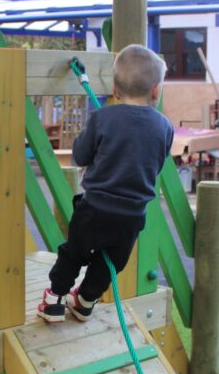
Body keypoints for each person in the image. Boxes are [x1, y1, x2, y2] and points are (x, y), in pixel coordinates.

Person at [38, 44, 175, 323]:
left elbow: (80, 156)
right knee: (111, 261)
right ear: (156, 90)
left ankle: (54, 300)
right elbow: (156, 163)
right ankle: (86, 300)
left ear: (114, 89)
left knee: (74, 253)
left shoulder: (103, 118)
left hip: (95, 209)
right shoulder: (164, 126)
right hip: (132, 216)